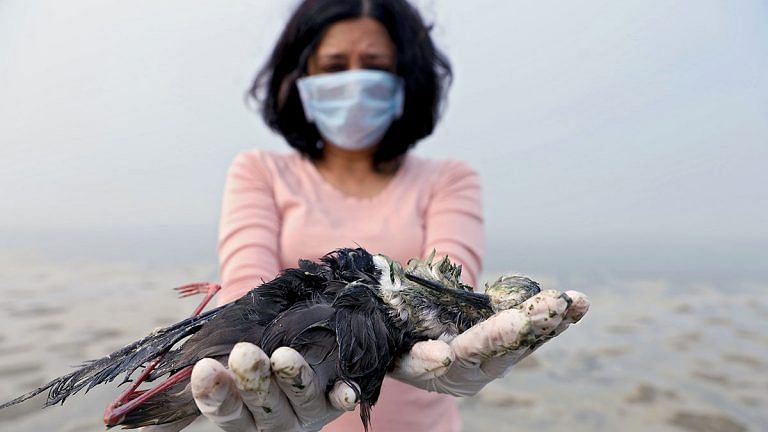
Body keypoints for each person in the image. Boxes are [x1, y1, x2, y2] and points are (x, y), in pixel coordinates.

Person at [150, 1, 589, 432]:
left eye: (373, 64)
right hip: (286, 384)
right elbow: (247, 276)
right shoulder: (260, 171)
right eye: (335, 65)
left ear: (405, 78)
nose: (354, 81)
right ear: (301, 77)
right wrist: (239, 348)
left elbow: (451, 276)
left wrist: (459, 336)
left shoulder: (448, 179)